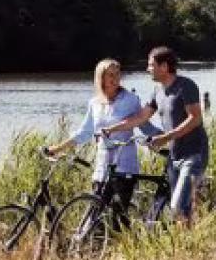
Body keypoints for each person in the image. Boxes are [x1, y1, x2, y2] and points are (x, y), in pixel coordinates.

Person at [101, 46, 209, 223]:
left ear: (164, 66)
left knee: (178, 207)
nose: (147, 69)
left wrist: (165, 138)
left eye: (151, 65)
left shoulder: (186, 86)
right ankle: (186, 244)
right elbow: (140, 117)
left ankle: (190, 242)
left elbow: (195, 118)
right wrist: (112, 129)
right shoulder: (157, 92)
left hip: (194, 154)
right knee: (183, 210)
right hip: (174, 156)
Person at [45, 58, 146, 214]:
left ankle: (123, 238)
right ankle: (95, 238)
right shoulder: (95, 103)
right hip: (102, 165)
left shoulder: (131, 100)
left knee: (118, 215)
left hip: (125, 165)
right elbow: (84, 133)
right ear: (101, 78)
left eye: (117, 74)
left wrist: (167, 138)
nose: (115, 79)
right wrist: (58, 148)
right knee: (95, 212)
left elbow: (144, 124)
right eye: (110, 75)